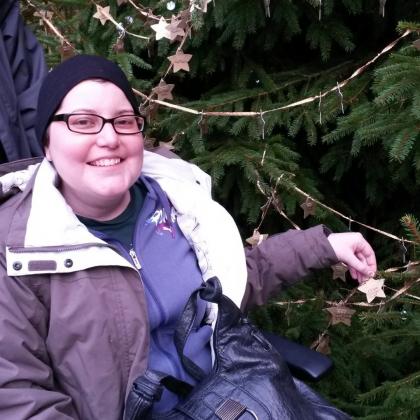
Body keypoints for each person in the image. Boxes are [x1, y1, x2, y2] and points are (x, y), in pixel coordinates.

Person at [0, 55, 376, 419]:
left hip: (241, 397)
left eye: (124, 120)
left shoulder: (178, 201)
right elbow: (19, 395)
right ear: (47, 143)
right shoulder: (17, 250)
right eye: (83, 122)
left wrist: (322, 245)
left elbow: (232, 281)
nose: (109, 137)